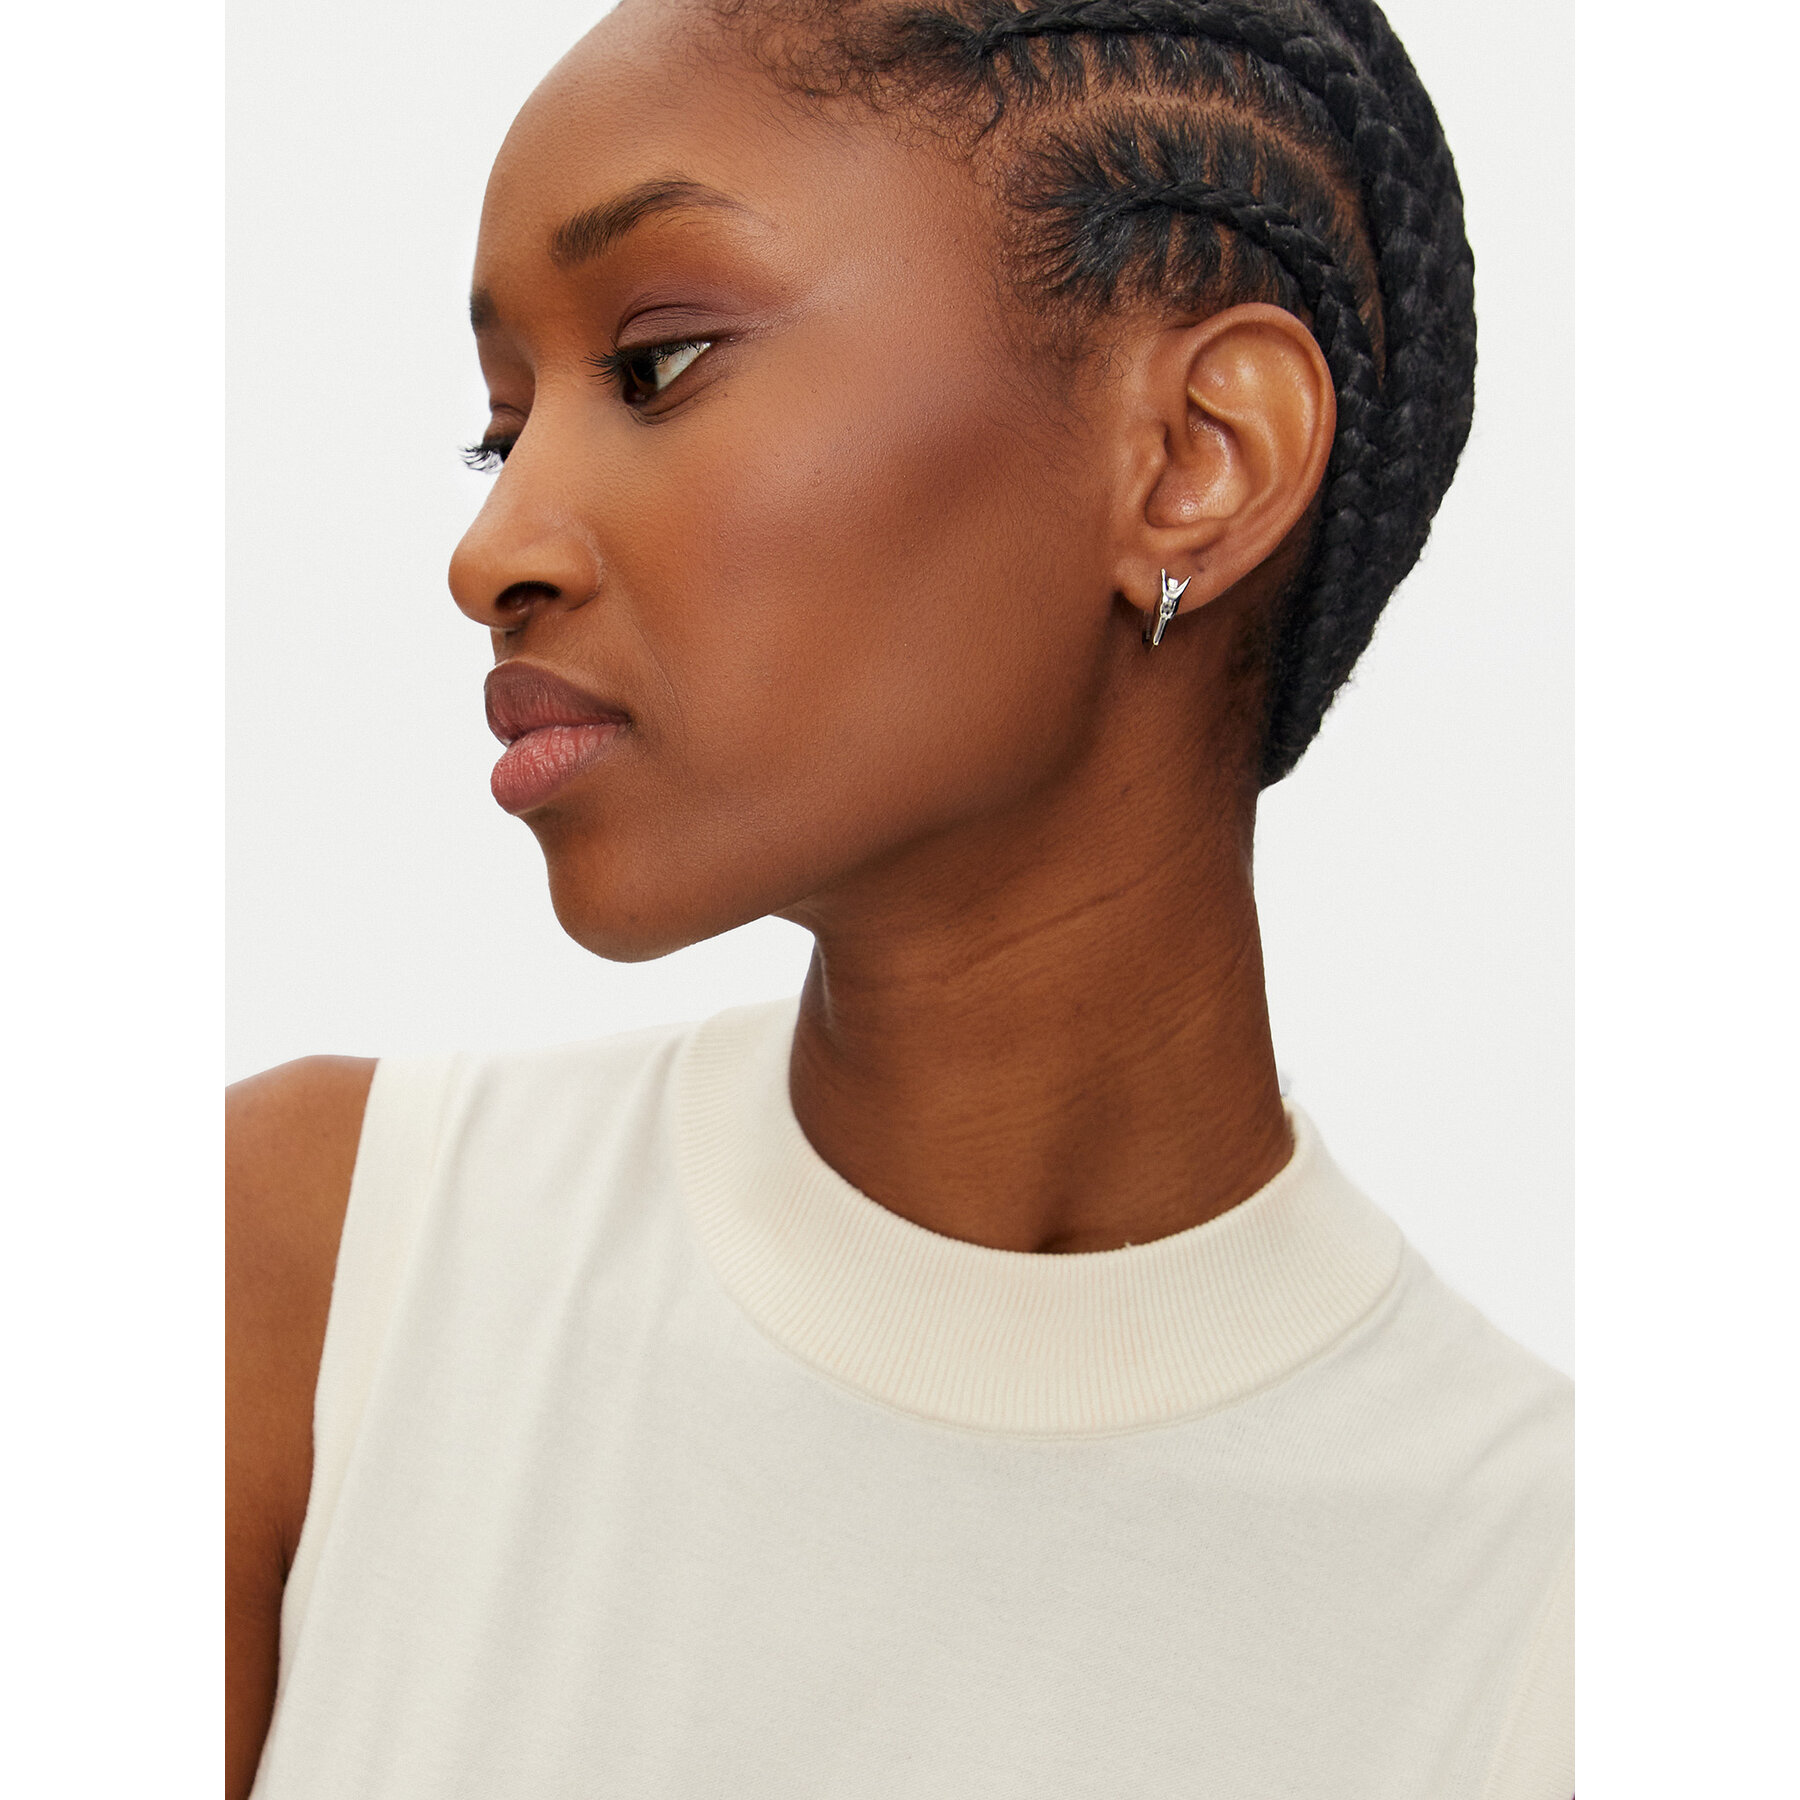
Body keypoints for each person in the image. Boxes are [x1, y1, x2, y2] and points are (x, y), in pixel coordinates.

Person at [226, 1, 1573, 1794]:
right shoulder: (307, 1285)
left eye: (657, 363)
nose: (492, 552)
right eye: (502, 429)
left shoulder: (1558, 1615)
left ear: (1197, 453)